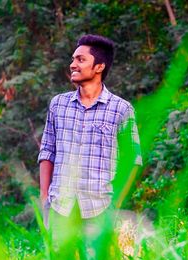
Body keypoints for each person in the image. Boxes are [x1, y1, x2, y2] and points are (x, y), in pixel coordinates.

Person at [38, 34, 142, 246]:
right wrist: (44, 198)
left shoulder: (121, 109)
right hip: (60, 208)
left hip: (100, 210)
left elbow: (132, 160)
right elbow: (47, 151)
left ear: (99, 67)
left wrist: (116, 203)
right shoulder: (58, 105)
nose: (73, 64)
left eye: (80, 60)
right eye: (73, 59)